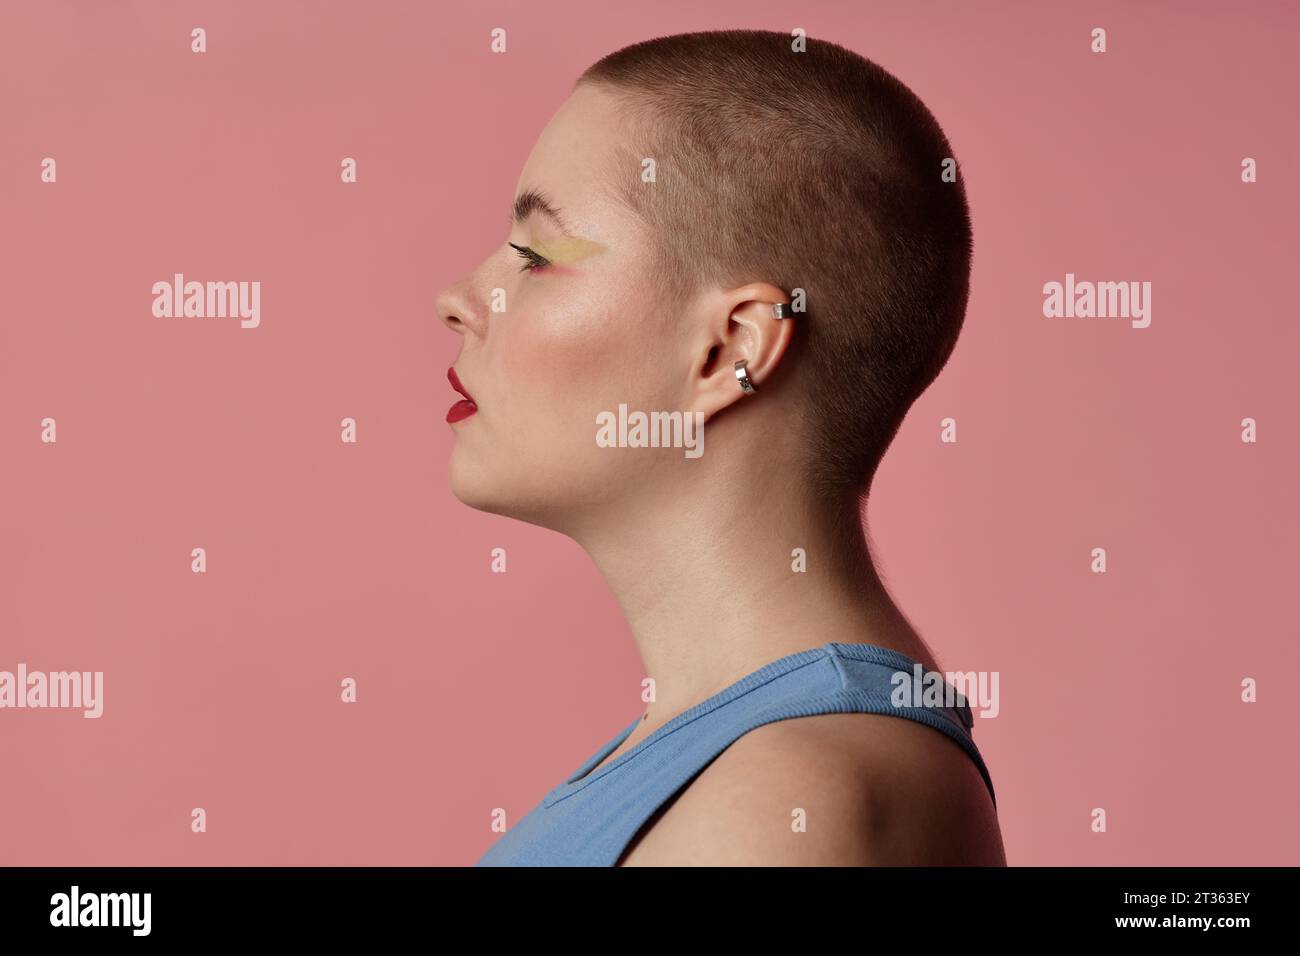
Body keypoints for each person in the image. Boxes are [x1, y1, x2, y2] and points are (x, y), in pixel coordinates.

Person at [436, 28, 1006, 866]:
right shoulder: (724, 763)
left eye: (540, 253)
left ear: (733, 348)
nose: (458, 299)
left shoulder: (791, 803)